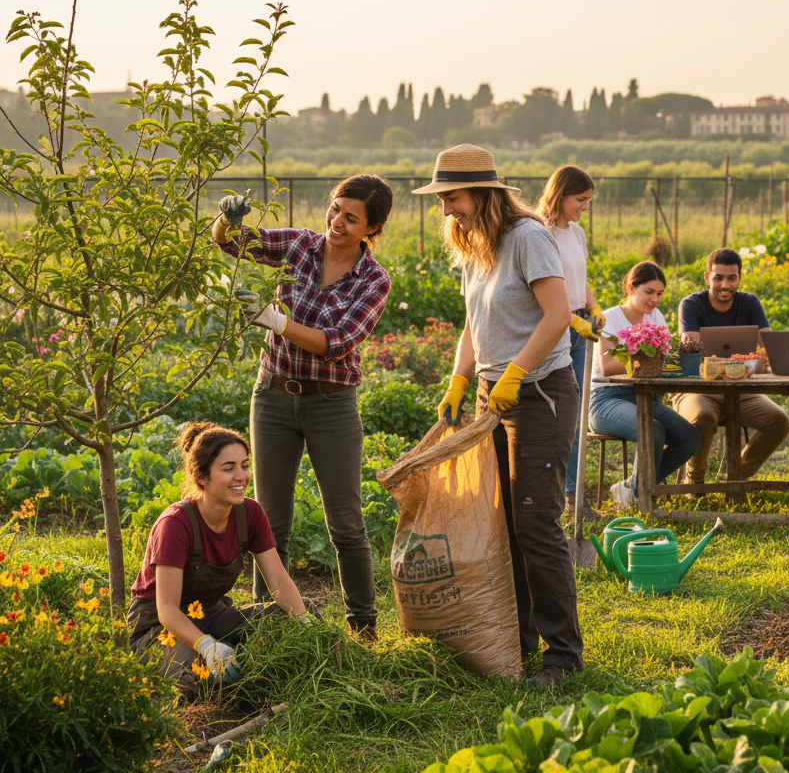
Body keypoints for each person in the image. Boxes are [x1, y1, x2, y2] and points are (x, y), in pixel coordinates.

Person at [414, 144, 597, 688]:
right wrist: (460, 378)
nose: (446, 209)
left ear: (485, 194)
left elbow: (559, 315)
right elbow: (473, 322)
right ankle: (512, 644)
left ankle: (563, 656)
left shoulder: (528, 238)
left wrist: (516, 371)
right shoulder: (477, 246)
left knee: (535, 524)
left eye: (453, 198)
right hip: (492, 395)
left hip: (539, 395)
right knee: (501, 524)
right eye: (443, 199)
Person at [213, 174, 393, 642]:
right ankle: (269, 624)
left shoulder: (373, 280)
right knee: (269, 521)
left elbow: (335, 343)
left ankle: (363, 627)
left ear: (371, 228)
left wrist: (275, 320)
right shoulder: (299, 246)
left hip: (330, 405)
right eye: (335, 209)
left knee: (346, 521)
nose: (337, 222)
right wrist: (226, 220)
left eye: (352, 218)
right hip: (272, 395)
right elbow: (234, 244)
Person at [127, 422, 309, 700]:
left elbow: (279, 582)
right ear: (201, 477)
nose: (241, 476)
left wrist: (304, 623)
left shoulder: (251, 513)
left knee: (292, 625)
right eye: (228, 468)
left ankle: (248, 671)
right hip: (158, 627)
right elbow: (166, 609)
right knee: (197, 680)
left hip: (211, 614)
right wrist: (207, 646)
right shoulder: (176, 524)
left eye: (244, 465)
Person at [673, 247, 789, 487]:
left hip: (741, 390)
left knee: (779, 422)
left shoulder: (749, 303)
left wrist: (764, 357)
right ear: (707, 278)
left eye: (731, 278)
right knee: (702, 418)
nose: (725, 285)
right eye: (718, 278)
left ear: (739, 278)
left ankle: (734, 475)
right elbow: (692, 346)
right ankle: (694, 482)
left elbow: (769, 346)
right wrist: (742, 361)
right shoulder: (691, 304)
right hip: (698, 388)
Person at [589, 261, 701, 508]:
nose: (655, 300)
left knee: (690, 438)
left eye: (659, 293)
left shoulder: (656, 316)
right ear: (631, 287)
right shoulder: (608, 318)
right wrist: (646, 358)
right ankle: (644, 501)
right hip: (608, 399)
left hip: (647, 397)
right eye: (649, 292)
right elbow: (607, 366)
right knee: (653, 429)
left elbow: (664, 358)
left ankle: (632, 488)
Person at [537, 165, 606, 510]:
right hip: (555, 324)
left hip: (580, 324)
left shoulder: (576, 233)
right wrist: (568, 318)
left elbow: (580, 278)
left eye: (588, 200)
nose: (585, 206)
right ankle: (553, 494)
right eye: (580, 199)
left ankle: (574, 496)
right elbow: (545, 285)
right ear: (560, 194)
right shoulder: (539, 233)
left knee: (576, 414)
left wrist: (592, 308)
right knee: (558, 413)